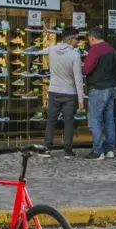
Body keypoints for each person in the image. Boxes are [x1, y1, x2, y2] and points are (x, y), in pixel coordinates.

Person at [41, 28, 85, 159]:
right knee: (69, 122)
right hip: (70, 93)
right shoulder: (75, 55)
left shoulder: (52, 50)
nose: (78, 41)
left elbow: (39, 52)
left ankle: (47, 149)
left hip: (53, 91)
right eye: (77, 39)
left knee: (51, 121)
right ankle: (67, 151)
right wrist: (81, 98)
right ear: (69, 39)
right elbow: (78, 78)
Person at [82, 27, 116, 161]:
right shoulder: (111, 49)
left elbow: (86, 69)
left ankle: (98, 151)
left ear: (92, 37)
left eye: (89, 39)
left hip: (98, 88)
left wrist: (80, 67)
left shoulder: (95, 49)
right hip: (111, 87)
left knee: (95, 120)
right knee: (109, 120)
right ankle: (109, 150)